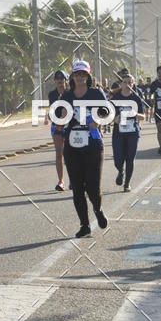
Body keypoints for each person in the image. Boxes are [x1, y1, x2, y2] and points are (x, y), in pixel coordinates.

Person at [61, 59, 108, 238]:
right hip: (72, 147)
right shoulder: (66, 96)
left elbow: (108, 113)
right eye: (77, 74)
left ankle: (98, 209)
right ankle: (84, 224)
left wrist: (98, 121)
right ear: (72, 76)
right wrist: (63, 119)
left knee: (93, 187)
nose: (80, 77)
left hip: (93, 145)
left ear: (88, 76)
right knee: (78, 188)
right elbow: (61, 117)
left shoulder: (96, 93)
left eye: (83, 74)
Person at [110, 74, 146, 191]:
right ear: (121, 84)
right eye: (124, 82)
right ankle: (121, 171)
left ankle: (127, 184)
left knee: (130, 159)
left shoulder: (136, 98)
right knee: (117, 159)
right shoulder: (115, 98)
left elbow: (143, 117)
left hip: (132, 132)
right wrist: (114, 119)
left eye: (129, 82)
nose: (127, 85)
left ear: (133, 84)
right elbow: (108, 115)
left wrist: (135, 114)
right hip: (118, 132)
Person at [45, 69, 68, 191]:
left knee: (70, 154)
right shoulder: (52, 94)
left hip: (69, 126)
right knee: (59, 153)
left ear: (66, 80)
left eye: (62, 79)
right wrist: (48, 116)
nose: (60, 81)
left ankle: (75, 179)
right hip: (56, 126)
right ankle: (61, 181)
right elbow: (52, 109)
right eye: (57, 79)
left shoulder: (70, 93)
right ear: (55, 81)